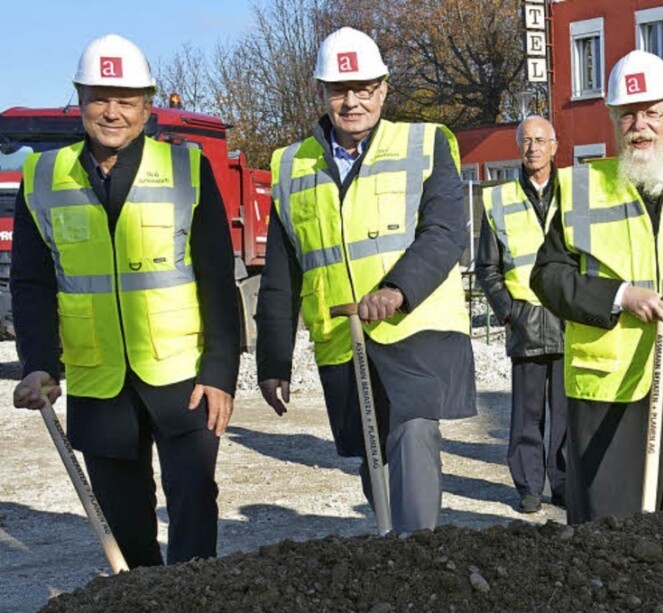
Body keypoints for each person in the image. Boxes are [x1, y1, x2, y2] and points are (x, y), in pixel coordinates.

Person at [10, 35, 240, 568]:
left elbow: (215, 278)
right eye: (99, 98)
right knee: (124, 521)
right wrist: (40, 364)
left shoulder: (187, 168)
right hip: (98, 380)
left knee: (194, 506)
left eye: (126, 100)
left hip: (183, 378)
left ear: (146, 105)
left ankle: (193, 608)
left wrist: (220, 372)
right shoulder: (42, 177)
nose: (112, 112)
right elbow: (32, 283)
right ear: (80, 99)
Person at [255, 27, 476, 534]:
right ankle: (390, 550)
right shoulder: (291, 166)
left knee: (414, 429)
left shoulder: (424, 144)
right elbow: (283, 272)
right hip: (343, 337)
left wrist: (397, 290)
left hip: (415, 326)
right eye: (339, 89)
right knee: (371, 453)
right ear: (320, 92)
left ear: (384, 89)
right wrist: (273, 360)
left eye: (365, 88)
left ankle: (416, 548)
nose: (352, 101)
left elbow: (444, 231)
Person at [530, 50, 663, 524]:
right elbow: (548, 277)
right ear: (612, 121)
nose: (640, 126)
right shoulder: (578, 187)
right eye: (627, 114)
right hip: (604, 388)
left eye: (652, 112)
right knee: (607, 538)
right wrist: (621, 297)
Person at [474, 115, 567, 514]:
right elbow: (487, 268)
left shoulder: (577, 195)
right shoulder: (498, 200)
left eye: (540, 140)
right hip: (525, 322)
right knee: (526, 417)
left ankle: (564, 485)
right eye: (526, 140)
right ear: (518, 147)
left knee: (566, 416)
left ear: (555, 145)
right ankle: (529, 487)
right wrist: (508, 312)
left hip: (568, 319)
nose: (533, 147)